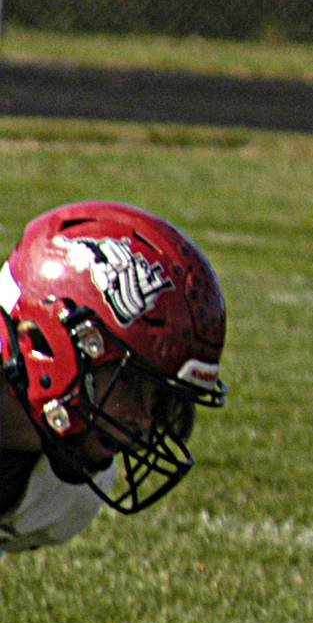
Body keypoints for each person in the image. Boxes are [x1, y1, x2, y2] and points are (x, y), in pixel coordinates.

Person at [0, 201, 226, 548]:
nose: (144, 424)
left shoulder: (60, 496)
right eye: (133, 386)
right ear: (48, 342)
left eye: (160, 401)